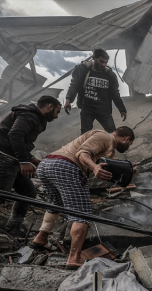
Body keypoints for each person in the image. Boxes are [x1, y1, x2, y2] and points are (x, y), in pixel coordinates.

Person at [30, 127, 136, 269]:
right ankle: (74, 258)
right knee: (81, 214)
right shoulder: (105, 137)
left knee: (57, 203)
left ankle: (41, 238)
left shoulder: (109, 151)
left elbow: (110, 170)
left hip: (46, 165)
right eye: (130, 144)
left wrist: (128, 170)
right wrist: (94, 167)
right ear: (127, 138)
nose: (128, 147)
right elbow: (82, 153)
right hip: (66, 166)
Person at [0, 96, 61, 237]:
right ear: (49, 106)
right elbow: (15, 134)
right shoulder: (30, 114)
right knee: (1, 194)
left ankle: (12, 227)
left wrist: (31, 159)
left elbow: (22, 141)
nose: (57, 116)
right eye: (57, 111)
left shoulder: (35, 117)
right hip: (4, 157)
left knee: (28, 192)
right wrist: (24, 161)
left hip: (12, 158)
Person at [65, 48, 127, 135]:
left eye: (105, 62)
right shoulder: (83, 70)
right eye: (101, 61)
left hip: (104, 109)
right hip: (87, 108)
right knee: (85, 135)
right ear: (94, 58)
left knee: (112, 133)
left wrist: (122, 109)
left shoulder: (109, 75)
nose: (104, 65)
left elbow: (115, 93)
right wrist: (68, 100)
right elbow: (74, 85)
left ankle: (110, 149)